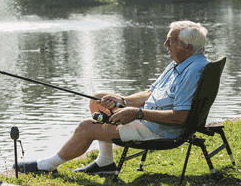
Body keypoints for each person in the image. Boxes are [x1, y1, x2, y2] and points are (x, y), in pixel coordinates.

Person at [15, 20, 210, 176]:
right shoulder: (183, 62)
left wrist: (137, 113)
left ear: (187, 46)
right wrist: (123, 101)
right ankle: (105, 162)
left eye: (171, 41)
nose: (165, 44)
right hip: (152, 120)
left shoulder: (192, 71)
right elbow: (151, 93)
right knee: (98, 99)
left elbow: (181, 116)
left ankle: (47, 166)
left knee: (86, 127)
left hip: (160, 130)